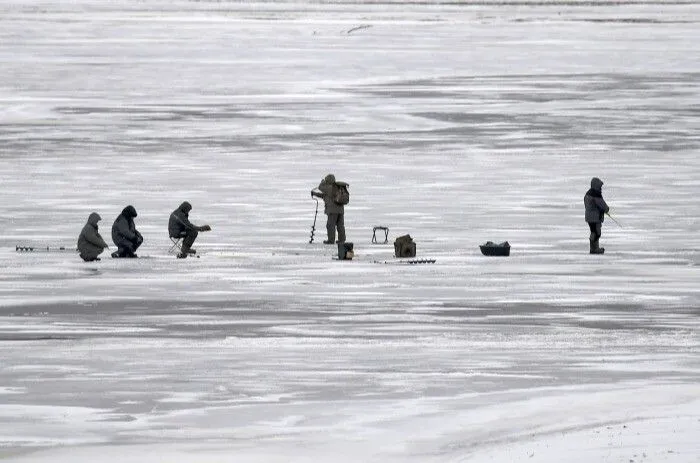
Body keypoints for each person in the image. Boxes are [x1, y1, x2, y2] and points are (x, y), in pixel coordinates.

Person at [311, 173, 346, 244]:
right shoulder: (337, 188)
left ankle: (331, 240)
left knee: (330, 225)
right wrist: (315, 194)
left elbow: (320, 187)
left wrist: (322, 182)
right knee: (340, 225)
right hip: (341, 210)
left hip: (332, 211)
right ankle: (342, 240)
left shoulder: (329, 187)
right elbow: (324, 196)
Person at [584, 177, 610, 254]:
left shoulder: (588, 194)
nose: (601, 188)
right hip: (595, 218)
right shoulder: (596, 195)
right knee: (596, 232)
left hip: (589, 217)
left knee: (593, 231)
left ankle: (594, 248)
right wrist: (605, 209)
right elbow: (603, 206)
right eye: (600, 186)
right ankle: (594, 249)